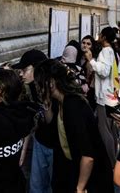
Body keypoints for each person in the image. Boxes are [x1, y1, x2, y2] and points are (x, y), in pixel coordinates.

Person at [34, 59, 114, 193]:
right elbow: (53, 128)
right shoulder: (60, 102)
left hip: (92, 180)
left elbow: (88, 156)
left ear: (51, 82)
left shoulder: (73, 106)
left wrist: (80, 188)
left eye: (39, 82)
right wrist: (46, 103)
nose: (37, 86)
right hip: (73, 171)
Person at [11, 49, 53, 193]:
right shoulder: (31, 88)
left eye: (24, 69)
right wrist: (23, 152)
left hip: (58, 147)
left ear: (37, 68)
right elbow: (30, 121)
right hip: (40, 142)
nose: (21, 73)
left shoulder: (54, 88)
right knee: (35, 187)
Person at [84, 26, 120, 167]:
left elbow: (104, 71)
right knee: (110, 131)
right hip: (109, 95)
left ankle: (111, 163)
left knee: (104, 130)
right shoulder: (111, 51)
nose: (98, 36)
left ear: (104, 37)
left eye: (100, 34)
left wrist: (91, 60)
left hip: (104, 97)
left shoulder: (106, 51)